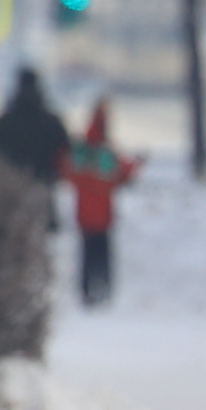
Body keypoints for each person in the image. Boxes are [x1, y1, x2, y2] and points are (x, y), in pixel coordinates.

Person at [63, 102, 143, 308]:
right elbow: (122, 174)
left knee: (87, 255)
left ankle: (87, 292)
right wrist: (137, 165)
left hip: (83, 213)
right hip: (103, 215)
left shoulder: (80, 151)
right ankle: (104, 291)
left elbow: (67, 171)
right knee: (103, 255)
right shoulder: (106, 152)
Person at [0, 66, 70, 186]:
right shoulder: (52, 123)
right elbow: (66, 156)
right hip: (43, 187)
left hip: (10, 191)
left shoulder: (5, 122)